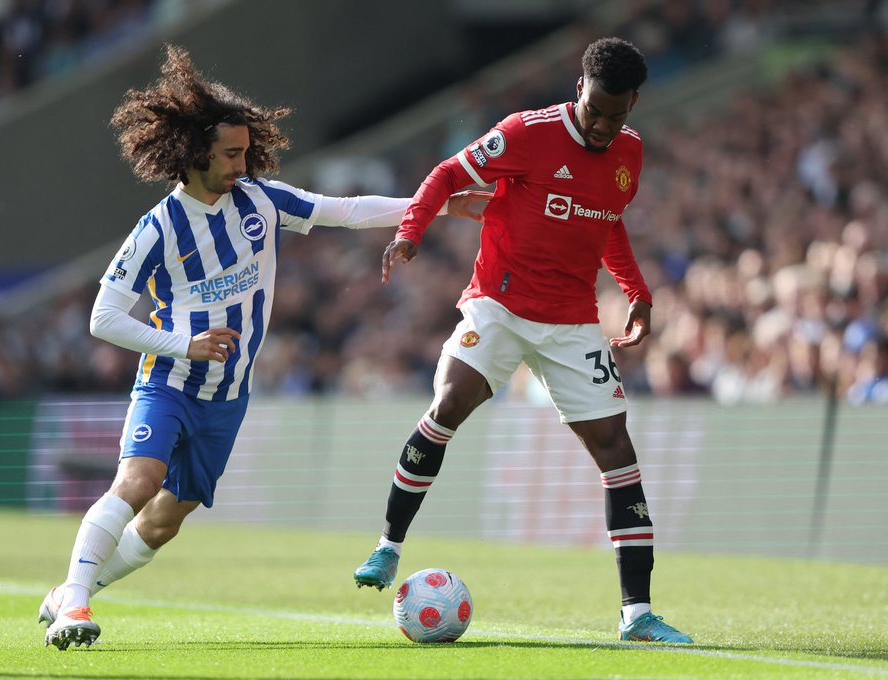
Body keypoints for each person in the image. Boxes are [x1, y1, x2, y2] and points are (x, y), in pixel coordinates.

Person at [38, 44, 489, 651]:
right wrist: (184, 345)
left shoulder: (260, 200)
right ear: (195, 152)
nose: (242, 163)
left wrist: (430, 207)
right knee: (139, 480)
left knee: (165, 522)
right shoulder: (159, 228)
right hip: (170, 382)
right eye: (231, 153)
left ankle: (67, 591)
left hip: (228, 396)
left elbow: (346, 211)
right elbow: (103, 318)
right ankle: (76, 603)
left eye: (246, 152)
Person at [353, 37, 693, 644]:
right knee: (447, 407)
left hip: (572, 321)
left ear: (634, 103)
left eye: (617, 115)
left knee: (618, 452)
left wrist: (636, 290)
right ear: (579, 89)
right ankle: (387, 547)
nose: (603, 125)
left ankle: (637, 616)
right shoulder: (526, 133)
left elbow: (606, 223)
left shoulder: (629, 154)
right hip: (499, 305)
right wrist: (412, 230)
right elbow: (447, 173)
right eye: (594, 110)